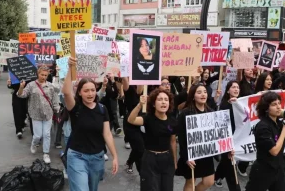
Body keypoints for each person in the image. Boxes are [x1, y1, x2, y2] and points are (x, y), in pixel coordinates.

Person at [62, 57, 118, 191]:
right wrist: (70, 68)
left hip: (97, 158)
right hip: (77, 156)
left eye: (92, 90)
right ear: (79, 92)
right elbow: (66, 92)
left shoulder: (102, 109)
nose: (90, 93)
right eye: (86, 90)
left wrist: (115, 156)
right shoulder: (75, 108)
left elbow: (107, 134)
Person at [245, 92, 285, 191]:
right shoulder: (263, 127)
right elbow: (274, 151)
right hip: (263, 171)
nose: (278, 107)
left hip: (278, 169)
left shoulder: (279, 123)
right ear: (266, 109)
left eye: (279, 103)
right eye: (274, 104)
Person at [128, 88, 177, 191]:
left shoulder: (172, 121)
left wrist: (174, 161)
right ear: (154, 104)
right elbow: (131, 120)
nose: (163, 102)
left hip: (167, 159)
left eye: (166, 99)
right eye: (160, 99)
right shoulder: (148, 118)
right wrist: (139, 105)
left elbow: (173, 142)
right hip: (150, 159)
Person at [17, 66, 60, 164]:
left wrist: (56, 107)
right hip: (35, 114)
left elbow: (54, 98)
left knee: (46, 134)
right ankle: (34, 143)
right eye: (42, 75)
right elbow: (21, 95)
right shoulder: (31, 85)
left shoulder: (50, 86)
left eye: (45, 75)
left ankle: (46, 153)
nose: (43, 77)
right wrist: (21, 87)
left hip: (48, 113)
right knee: (37, 135)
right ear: (38, 73)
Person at [176, 84, 215, 191]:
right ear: (193, 96)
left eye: (205, 92)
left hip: (206, 153)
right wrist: (186, 157)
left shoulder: (211, 112)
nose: (203, 94)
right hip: (191, 154)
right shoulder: (185, 113)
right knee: (190, 182)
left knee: (209, 181)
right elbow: (182, 137)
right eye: (199, 92)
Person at [214, 81, 239, 189]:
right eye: (233, 87)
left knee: (226, 161)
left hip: (237, 138)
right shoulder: (225, 105)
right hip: (227, 140)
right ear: (228, 90)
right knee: (231, 168)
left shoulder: (239, 103)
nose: (236, 89)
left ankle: (217, 176)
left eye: (238, 87)